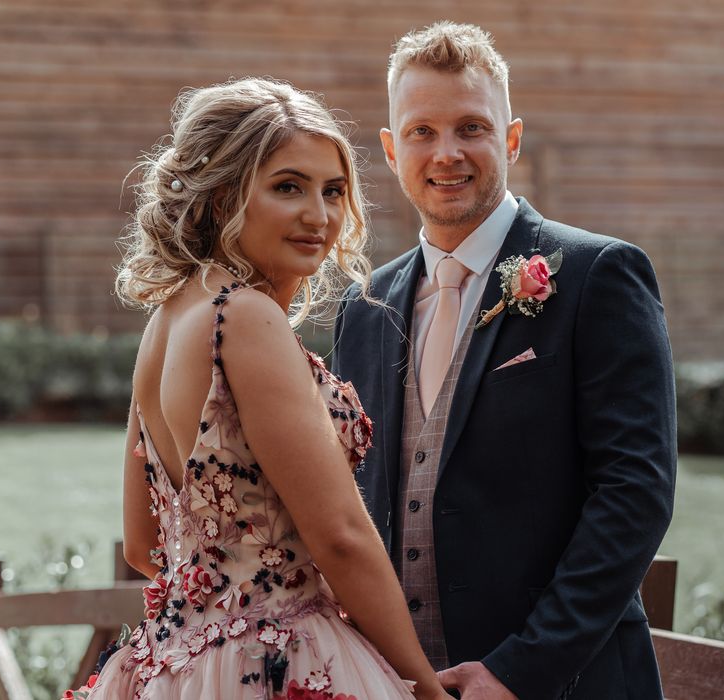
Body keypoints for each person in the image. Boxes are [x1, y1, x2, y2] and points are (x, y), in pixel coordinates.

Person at [67, 77, 449, 699]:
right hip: (276, 660)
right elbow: (341, 537)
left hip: (174, 663)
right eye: (287, 187)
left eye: (332, 191)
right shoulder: (243, 316)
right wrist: (425, 687)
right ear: (221, 199)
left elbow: (144, 545)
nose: (318, 216)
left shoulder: (167, 319)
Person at [332, 21, 676, 700]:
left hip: (565, 684)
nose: (446, 153)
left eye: (471, 128)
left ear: (511, 139)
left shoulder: (598, 276)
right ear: (392, 148)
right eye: (423, 132)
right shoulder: (362, 308)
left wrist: (520, 671)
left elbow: (635, 494)